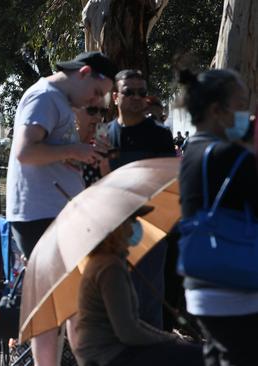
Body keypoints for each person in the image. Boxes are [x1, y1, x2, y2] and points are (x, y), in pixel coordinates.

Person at [5, 51, 117, 365]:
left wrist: (84, 153)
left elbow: (47, 154)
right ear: (84, 72)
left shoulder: (57, 101)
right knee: (55, 305)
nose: (94, 101)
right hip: (41, 214)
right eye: (96, 92)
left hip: (55, 213)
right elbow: (25, 151)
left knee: (70, 303)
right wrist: (76, 149)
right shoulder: (45, 97)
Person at [178, 68, 258, 366]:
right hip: (235, 290)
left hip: (202, 288)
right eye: (240, 105)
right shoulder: (230, 156)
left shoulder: (192, 153)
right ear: (216, 110)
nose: (246, 114)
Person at [73, 210, 203, 366]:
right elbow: (128, 332)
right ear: (118, 227)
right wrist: (169, 340)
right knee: (198, 357)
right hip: (107, 355)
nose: (137, 224)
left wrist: (169, 338)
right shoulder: (110, 268)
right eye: (132, 219)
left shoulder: (110, 261)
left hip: (110, 350)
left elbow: (132, 323)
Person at [107, 69, 176, 329]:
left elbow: (169, 185)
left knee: (148, 306)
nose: (137, 97)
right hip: (112, 232)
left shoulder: (160, 136)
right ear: (115, 97)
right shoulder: (104, 135)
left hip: (149, 230)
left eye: (142, 93)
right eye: (129, 92)